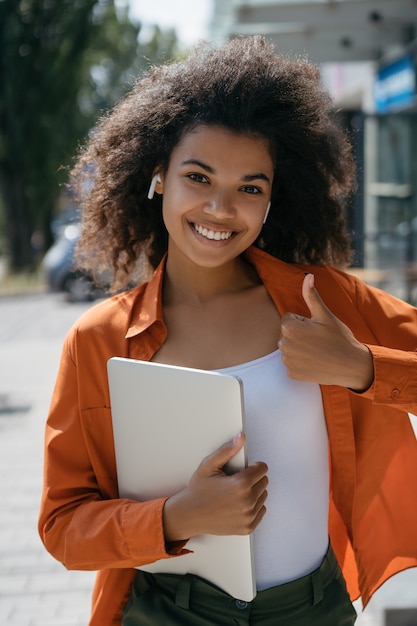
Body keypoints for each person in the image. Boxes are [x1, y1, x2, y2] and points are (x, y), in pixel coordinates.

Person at [38, 36, 417, 626]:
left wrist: (362, 369)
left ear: (272, 201)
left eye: (250, 187)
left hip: (312, 610)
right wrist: (176, 516)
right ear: (158, 175)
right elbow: (63, 526)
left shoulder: (322, 303)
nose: (220, 208)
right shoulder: (99, 340)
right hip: (167, 612)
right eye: (198, 176)